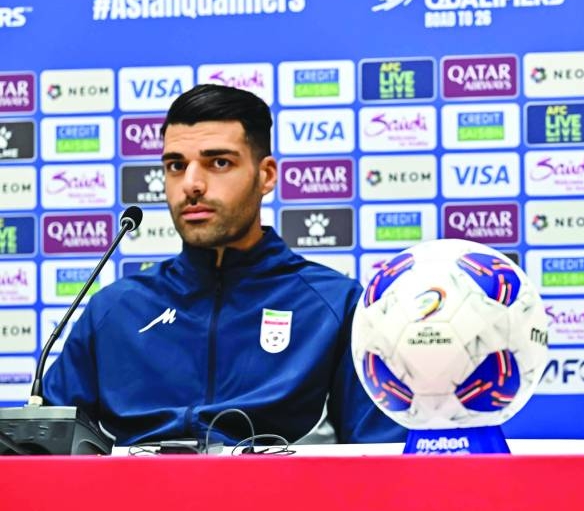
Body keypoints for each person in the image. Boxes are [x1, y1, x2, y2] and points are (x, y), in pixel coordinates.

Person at [43, 84, 404, 446]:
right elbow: (43, 452)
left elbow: (381, 459)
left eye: (219, 163)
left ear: (266, 176)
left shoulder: (337, 306)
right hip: (133, 502)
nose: (192, 184)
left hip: (284, 501)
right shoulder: (115, 310)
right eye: (175, 166)